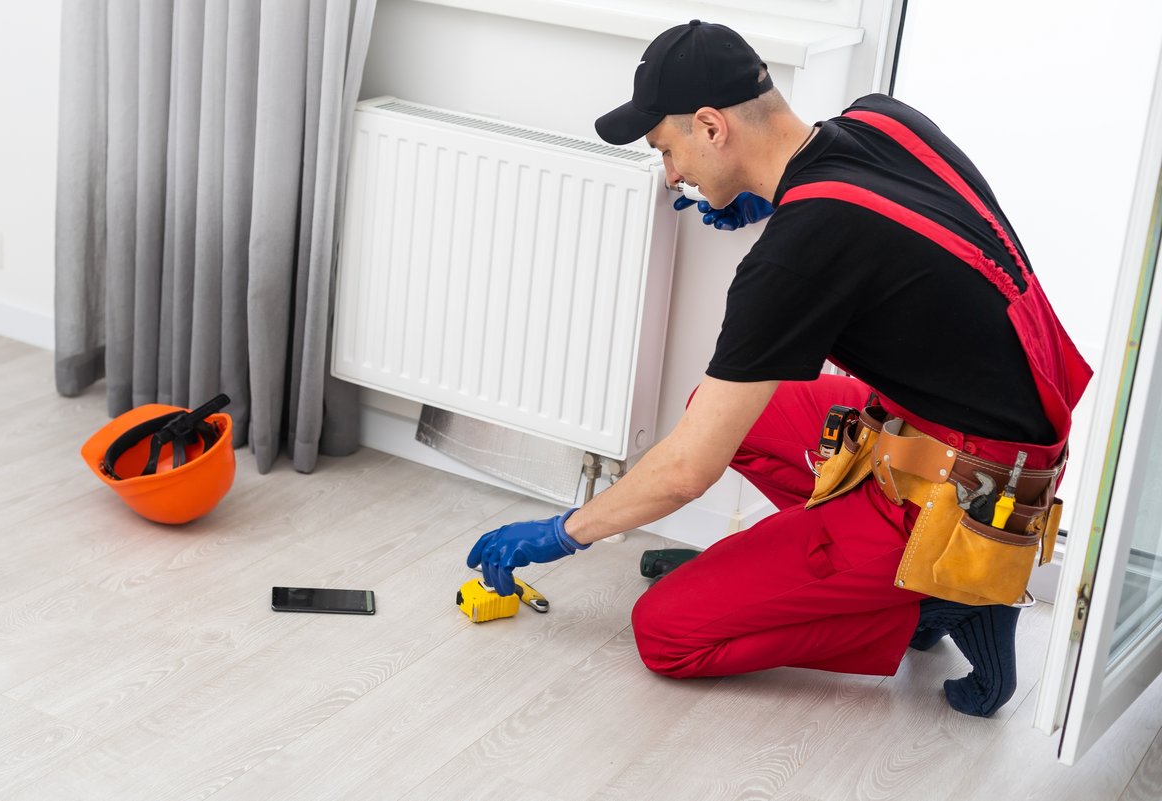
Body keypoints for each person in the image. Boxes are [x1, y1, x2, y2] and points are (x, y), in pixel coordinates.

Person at [466, 19, 1091, 717]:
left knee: (666, 631)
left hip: (972, 485)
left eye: (667, 150)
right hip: (996, 435)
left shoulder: (798, 252)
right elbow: (902, 249)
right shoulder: (882, 120)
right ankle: (881, 576)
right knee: (726, 407)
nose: (672, 175)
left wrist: (563, 531)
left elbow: (685, 472)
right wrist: (776, 202)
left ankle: (942, 592)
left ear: (711, 126)